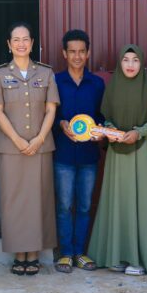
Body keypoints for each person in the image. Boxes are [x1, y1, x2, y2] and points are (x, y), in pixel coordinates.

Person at [87, 45, 147, 275]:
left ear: (142, 64)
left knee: (141, 202)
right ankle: (116, 255)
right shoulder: (112, 88)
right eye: (126, 60)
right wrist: (111, 130)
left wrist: (139, 133)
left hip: (142, 153)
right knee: (118, 201)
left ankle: (139, 259)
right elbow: (105, 117)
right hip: (116, 153)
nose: (130, 65)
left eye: (135, 60)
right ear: (119, 63)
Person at [0, 22, 59, 276]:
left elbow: (51, 108)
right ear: (9, 44)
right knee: (14, 201)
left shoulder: (46, 73)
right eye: (16, 40)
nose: (21, 44)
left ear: (32, 43)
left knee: (39, 199)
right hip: (10, 148)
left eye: (25, 39)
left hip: (40, 146)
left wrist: (39, 138)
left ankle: (34, 253)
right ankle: (19, 253)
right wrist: (18, 140)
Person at [51, 29, 106, 273]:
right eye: (72, 51)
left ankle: (80, 253)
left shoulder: (97, 84)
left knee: (84, 206)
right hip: (63, 154)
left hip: (88, 155)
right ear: (64, 53)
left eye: (81, 51)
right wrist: (60, 123)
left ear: (88, 53)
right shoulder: (55, 82)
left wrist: (101, 130)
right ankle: (65, 253)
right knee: (64, 206)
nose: (77, 56)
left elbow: (102, 116)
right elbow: (48, 115)